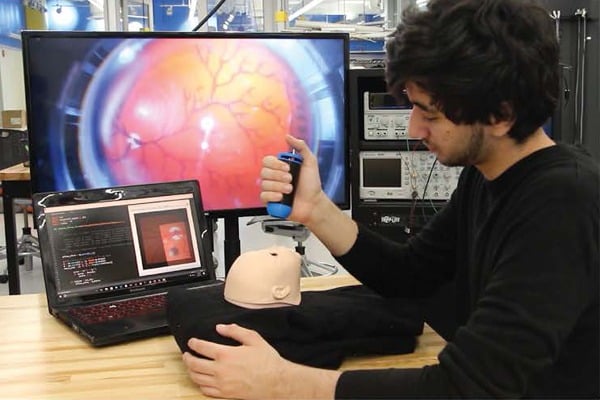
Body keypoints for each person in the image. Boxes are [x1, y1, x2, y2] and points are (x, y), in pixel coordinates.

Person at [181, 0, 600, 398]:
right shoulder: (487, 176)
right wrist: (315, 209)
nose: (415, 129)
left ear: (501, 114)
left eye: (429, 113)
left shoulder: (561, 204)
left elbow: (466, 389)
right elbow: (409, 275)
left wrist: (283, 384)